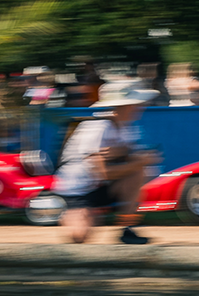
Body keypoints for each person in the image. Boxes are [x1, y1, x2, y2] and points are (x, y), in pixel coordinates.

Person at [54, 84, 160, 244]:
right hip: (76, 192)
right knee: (79, 237)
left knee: (138, 170)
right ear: (122, 106)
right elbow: (102, 173)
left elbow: (139, 163)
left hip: (100, 186)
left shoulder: (128, 128)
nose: (140, 107)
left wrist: (129, 157)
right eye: (135, 103)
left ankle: (127, 227)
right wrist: (138, 160)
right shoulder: (97, 127)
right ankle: (69, 213)